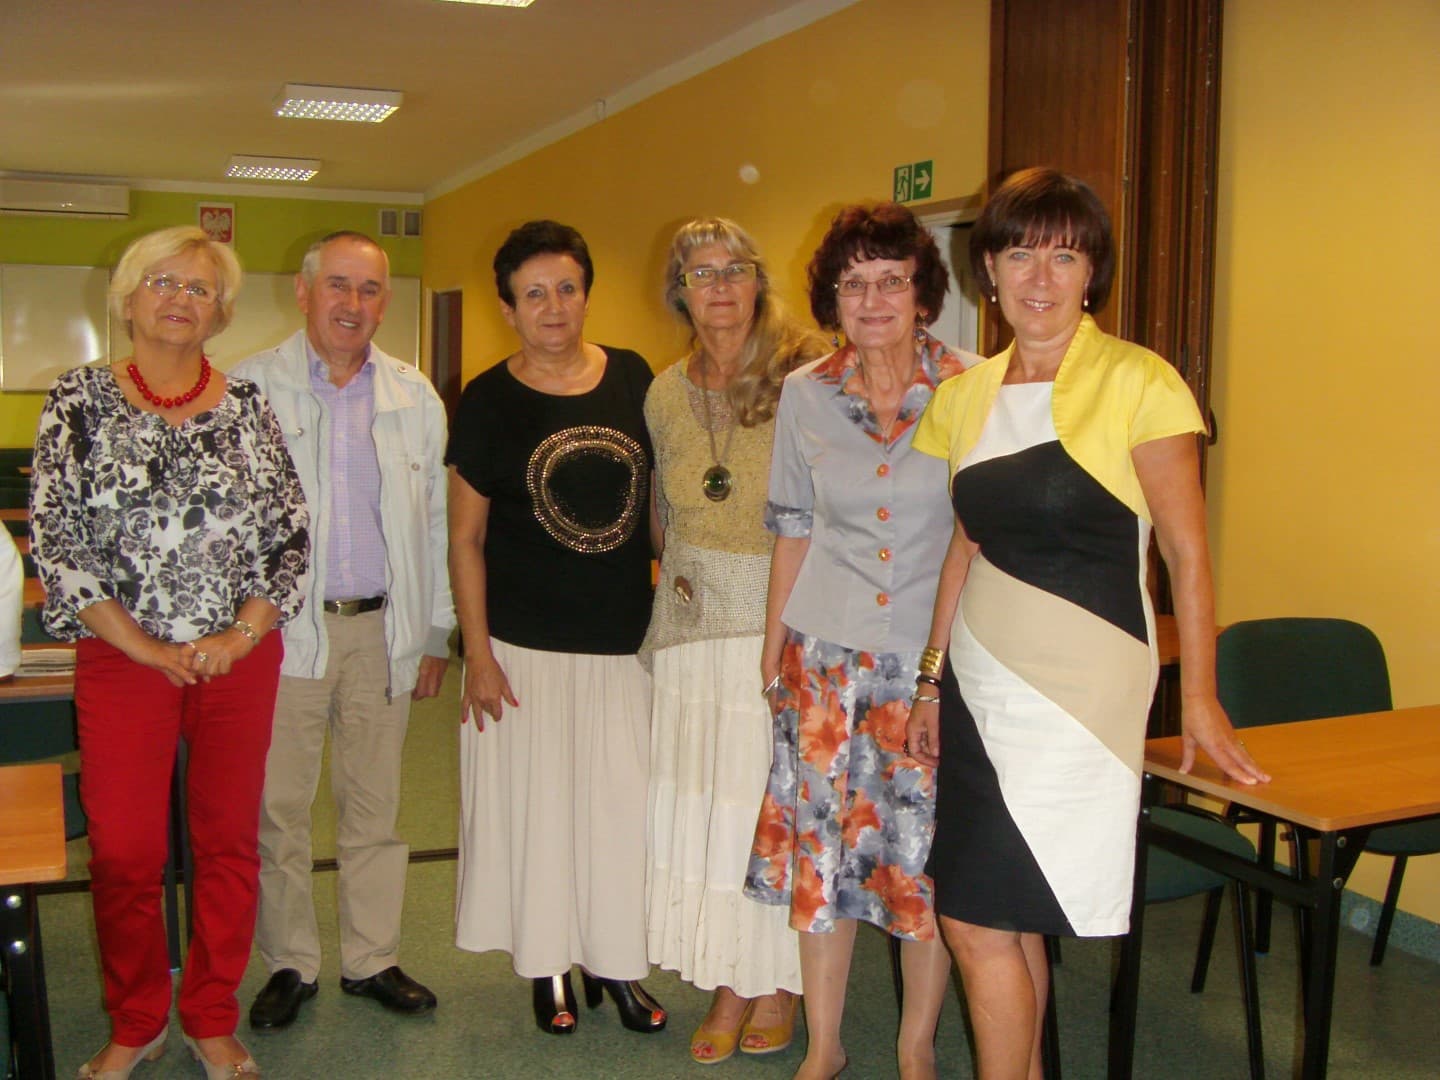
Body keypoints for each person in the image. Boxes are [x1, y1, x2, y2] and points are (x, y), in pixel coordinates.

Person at [908, 167, 1269, 1080]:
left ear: (1091, 273)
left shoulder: (1141, 381)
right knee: (1004, 908)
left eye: (1064, 256)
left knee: (974, 916)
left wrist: (1201, 698)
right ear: (990, 269)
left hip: (1080, 687)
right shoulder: (964, 395)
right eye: (1020, 253)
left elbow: (1186, 554)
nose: (1040, 277)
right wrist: (929, 679)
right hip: (980, 680)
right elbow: (963, 549)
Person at [30, 226, 309, 1079]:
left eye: (199, 288)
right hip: (124, 659)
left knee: (227, 845)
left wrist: (242, 633)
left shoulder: (248, 405)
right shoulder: (78, 400)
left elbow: (290, 537)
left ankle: (211, 1015)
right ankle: (138, 1018)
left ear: (220, 312)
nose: (180, 299)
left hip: (237, 661)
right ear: (128, 297)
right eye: (162, 281)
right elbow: (59, 543)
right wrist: (146, 646)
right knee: (124, 853)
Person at [744, 203, 981, 1080]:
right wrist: (773, 647)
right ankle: (826, 1046)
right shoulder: (806, 393)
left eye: (891, 281)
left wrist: (948, 671)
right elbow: (793, 526)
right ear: (832, 299)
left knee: (921, 862)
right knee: (823, 857)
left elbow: (982, 534)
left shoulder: (972, 387)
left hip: (930, 663)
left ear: (923, 294)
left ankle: (916, 1047)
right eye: (853, 284)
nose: (873, 300)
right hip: (826, 663)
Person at [448, 220, 667, 1037]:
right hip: (522, 647)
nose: (553, 306)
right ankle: (547, 967)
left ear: (586, 296)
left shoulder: (635, 378)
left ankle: (617, 965)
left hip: (623, 642)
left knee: (618, 813)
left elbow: (658, 508)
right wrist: (477, 653)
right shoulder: (488, 400)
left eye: (567, 288)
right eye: (533, 293)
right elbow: (464, 539)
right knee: (539, 816)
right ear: (508, 308)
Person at [233, 230, 454, 1031]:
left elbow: (435, 523)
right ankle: (290, 963)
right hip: (282, 636)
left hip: (381, 632)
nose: (352, 303)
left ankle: (371, 958)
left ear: (384, 302)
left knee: (374, 807)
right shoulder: (248, 388)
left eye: (368, 289)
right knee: (279, 811)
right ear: (303, 292)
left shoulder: (413, 395)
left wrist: (436, 632)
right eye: (337, 285)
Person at [642, 218, 825, 1065]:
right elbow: (664, 510)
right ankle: (728, 974)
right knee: (709, 806)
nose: (718, 286)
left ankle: (777, 980)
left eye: (734, 269)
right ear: (678, 291)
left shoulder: (805, 375)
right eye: (699, 272)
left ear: (759, 281)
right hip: (688, 628)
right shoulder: (663, 391)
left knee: (764, 809)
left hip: (773, 622)